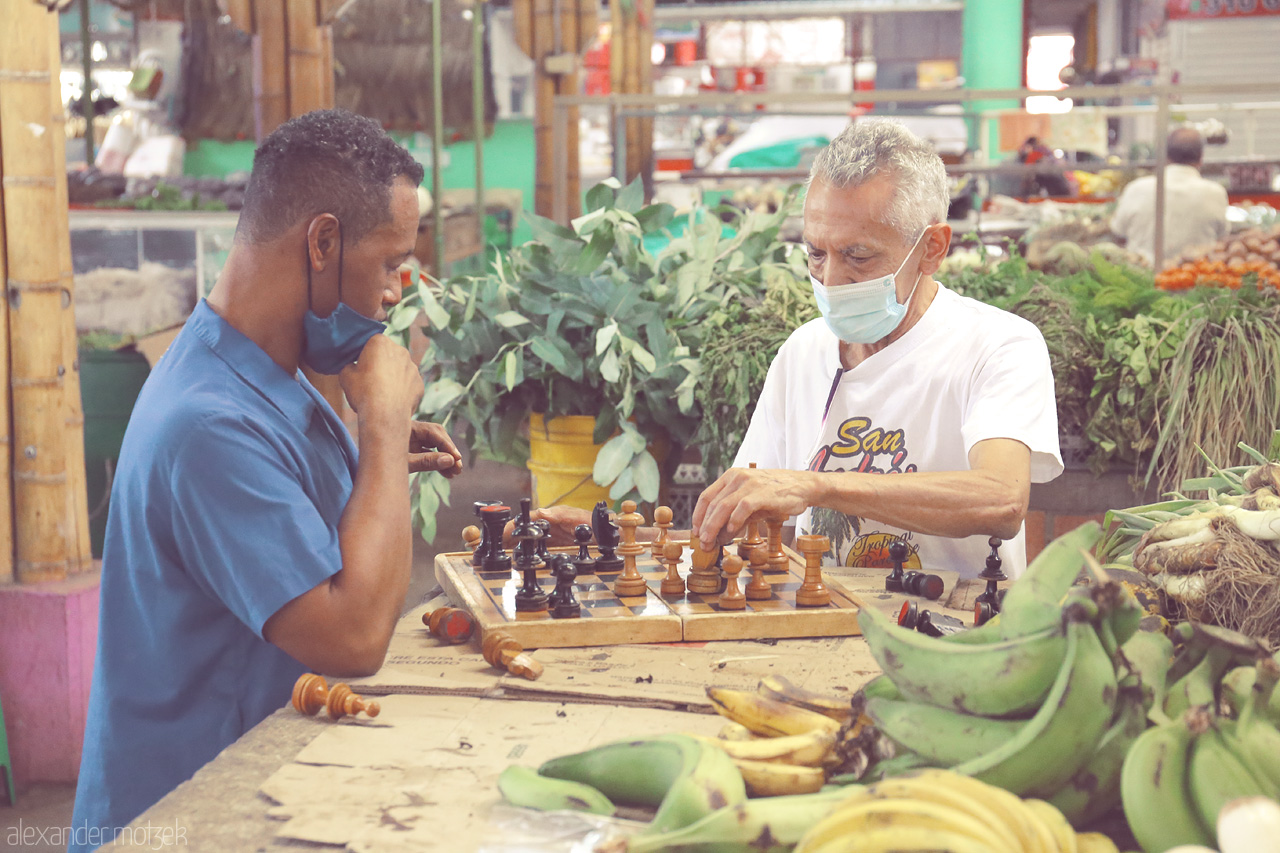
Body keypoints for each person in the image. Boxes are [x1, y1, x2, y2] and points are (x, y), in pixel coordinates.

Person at [69, 109, 464, 851]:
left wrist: (362, 455)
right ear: (322, 241)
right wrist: (379, 428)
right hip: (180, 819)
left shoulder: (261, 371)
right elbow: (351, 639)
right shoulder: (207, 425)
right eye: (388, 263)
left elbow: (295, 500)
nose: (396, 291)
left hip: (258, 792)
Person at [691, 119, 1063, 579]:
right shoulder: (803, 352)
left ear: (931, 248)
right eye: (816, 253)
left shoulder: (1000, 346)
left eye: (858, 256)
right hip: (826, 627)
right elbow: (767, 529)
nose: (829, 280)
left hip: (959, 634)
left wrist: (816, 487)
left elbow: (1001, 500)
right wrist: (602, 533)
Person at [1110, 126, 1229, 264]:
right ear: (1201, 159)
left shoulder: (1135, 188)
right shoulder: (1216, 193)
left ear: (1165, 157)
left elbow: (1118, 231)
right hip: (1194, 278)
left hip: (1140, 278)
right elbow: (1222, 237)